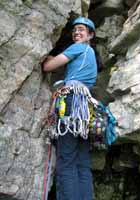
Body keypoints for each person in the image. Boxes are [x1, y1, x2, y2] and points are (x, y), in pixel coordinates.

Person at [43, 16, 102, 200]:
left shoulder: (78, 47)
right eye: (75, 30)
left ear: (90, 35)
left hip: (70, 104)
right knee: (81, 163)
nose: (77, 32)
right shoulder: (91, 54)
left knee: (66, 162)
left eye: (81, 30)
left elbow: (48, 67)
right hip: (86, 110)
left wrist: (49, 56)